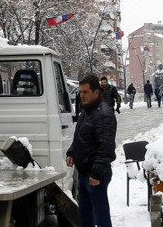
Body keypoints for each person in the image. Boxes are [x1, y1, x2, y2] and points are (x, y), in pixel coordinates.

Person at [66, 74, 116, 227]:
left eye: (85, 92)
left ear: (96, 92)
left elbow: (106, 148)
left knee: (101, 218)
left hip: (96, 176)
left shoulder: (104, 115)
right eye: (80, 92)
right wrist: (71, 152)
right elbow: (79, 136)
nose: (81, 95)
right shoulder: (86, 111)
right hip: (84, 173)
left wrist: (96, 173)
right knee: (84, 216)